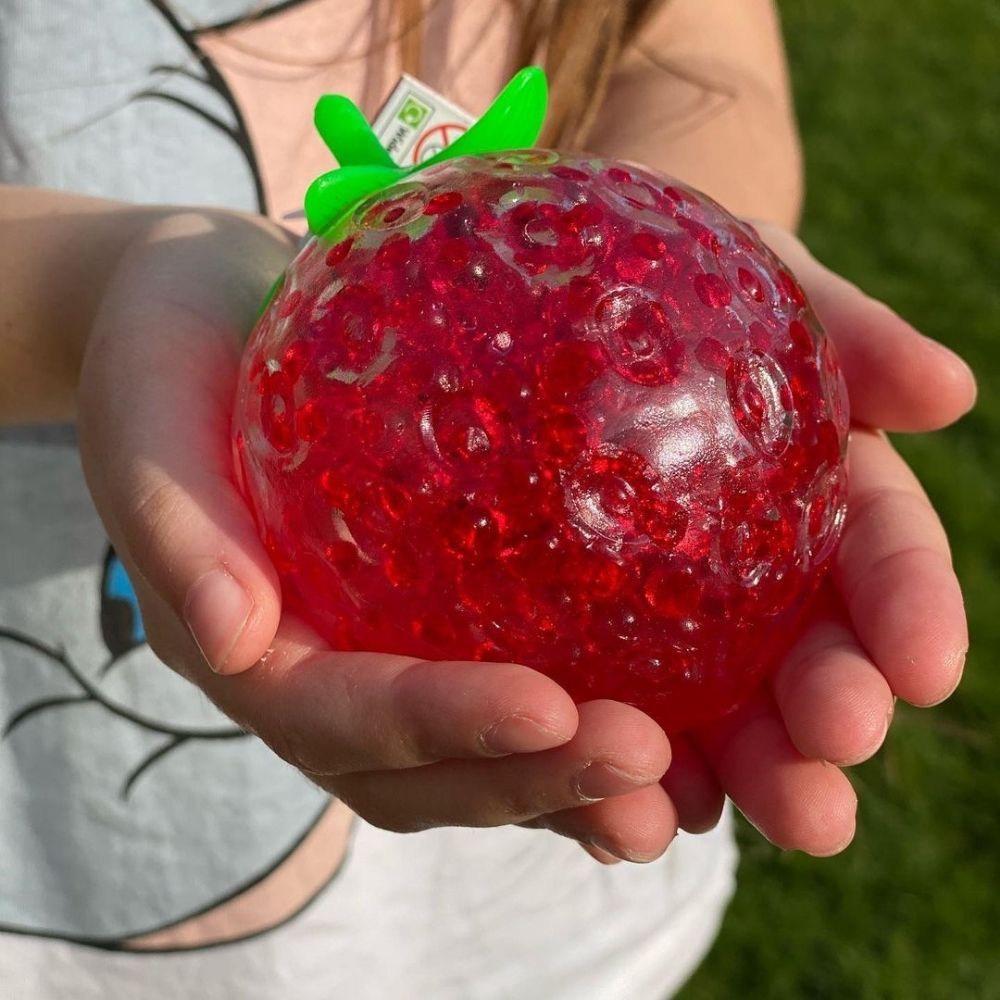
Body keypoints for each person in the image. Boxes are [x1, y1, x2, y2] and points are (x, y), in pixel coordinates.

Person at [0, 1, 975, 997]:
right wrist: (91, 289)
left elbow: (693, 57)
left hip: (545, 898)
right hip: (78, 854)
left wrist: (666, 285)